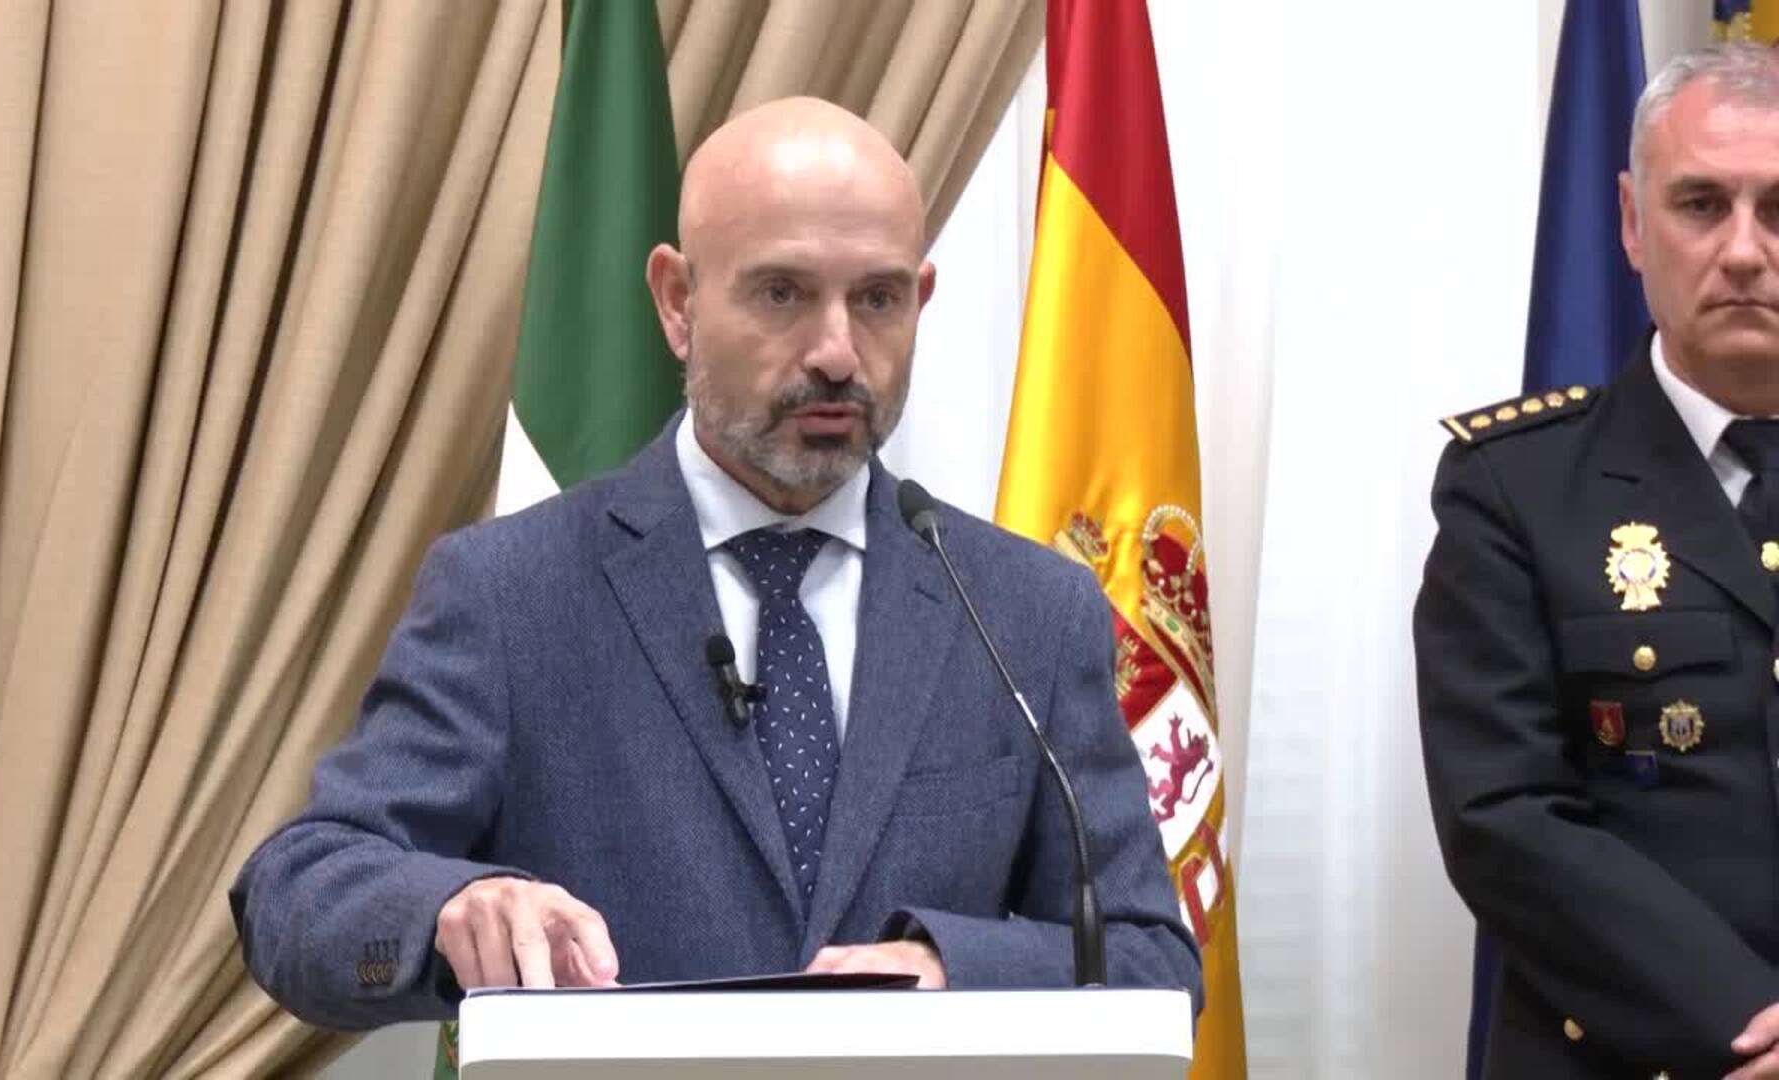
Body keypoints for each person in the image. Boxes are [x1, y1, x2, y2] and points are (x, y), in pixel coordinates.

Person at [231, 96, 1200, 1031]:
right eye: (783, 293)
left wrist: (955, 970)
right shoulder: (513, 592)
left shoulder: (1024, 610)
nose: (837, 352)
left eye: (878, 298)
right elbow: (298, 895)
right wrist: (450, 909)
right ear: (677, 301)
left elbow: (1150, 956)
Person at [1417, 44, 1779, 1080]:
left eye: (1778, 209)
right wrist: (1749, 1019)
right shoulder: (1514, 486)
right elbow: (1504, 816)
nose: (1744, 251)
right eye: (1701, 204)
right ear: (1630, 221)